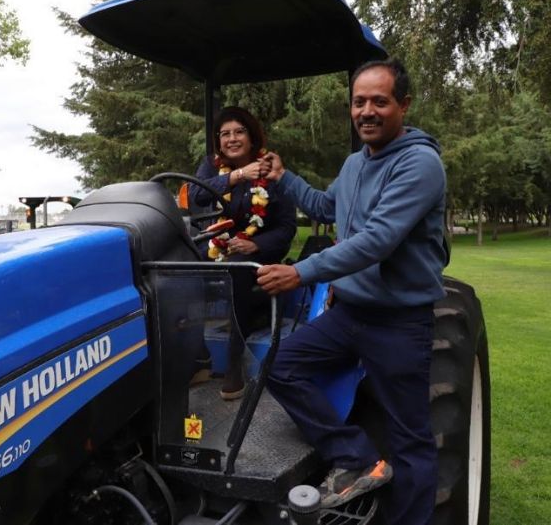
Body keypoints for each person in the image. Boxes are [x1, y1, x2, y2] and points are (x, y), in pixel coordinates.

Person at [257, 59, 446, 525]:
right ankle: (356, 456)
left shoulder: (420, 163)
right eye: (359, 102)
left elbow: (377, 239)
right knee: (278, 365)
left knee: (411, 441)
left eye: (379, 101)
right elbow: (327, 205)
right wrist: (284, 178)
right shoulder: (354, 164)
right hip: (349, 316)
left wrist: (300, 272)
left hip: (399, 323)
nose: (367, 111)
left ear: (403, 104)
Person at [190, 106, 297, 400]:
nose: (232, 139)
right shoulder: (212, 168)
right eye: (225, 134)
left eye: (239, 132)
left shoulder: (270, 169)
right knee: (178, 266)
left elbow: (287, 227)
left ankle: (234, 361)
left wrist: (256, 244)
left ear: (251, 137)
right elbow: (194, 194)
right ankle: (198, 357)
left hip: (256, 253)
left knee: (237, 268)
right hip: (217, 248)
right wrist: (236, 176)